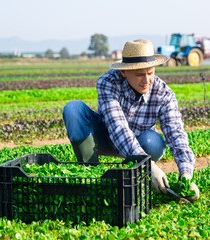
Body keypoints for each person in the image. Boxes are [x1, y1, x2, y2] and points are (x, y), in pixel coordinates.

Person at [62, 39, 199, 201]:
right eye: (140, 74)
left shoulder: (163, 93)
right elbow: (117, 127)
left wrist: (186, 175)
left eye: (150, 73)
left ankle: (137, 173)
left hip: (142, 143)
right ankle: (92, 176)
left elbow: (177, 134)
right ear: (124, 72)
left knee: (153, 141)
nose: (146, 80)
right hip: (104, 138)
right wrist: (148, 165)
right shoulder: (108, 83)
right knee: (73, 109)